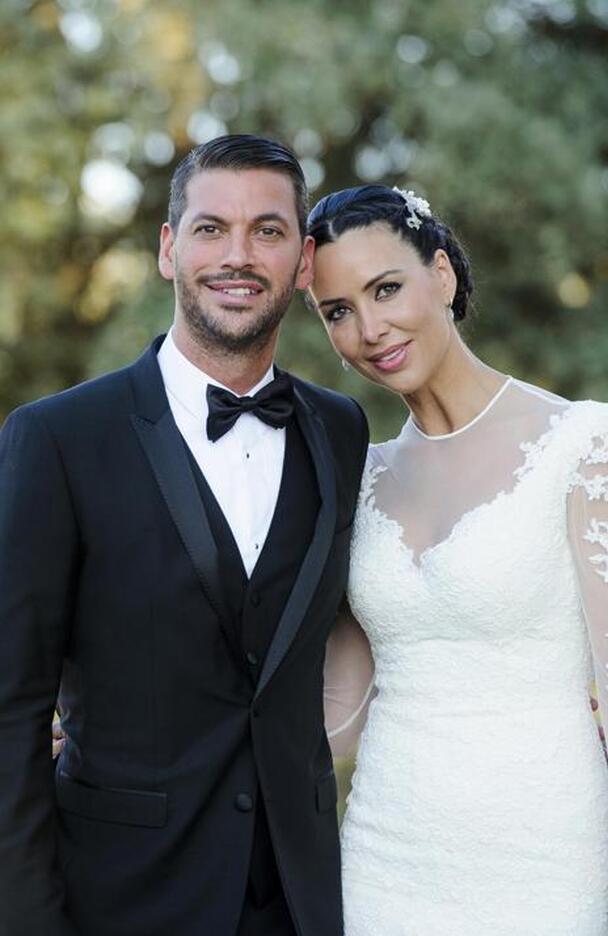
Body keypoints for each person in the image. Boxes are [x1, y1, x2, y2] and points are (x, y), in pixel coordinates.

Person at [0, 135, 369, 936]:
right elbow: (11, 708)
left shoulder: (341, 430)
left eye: (267, 231)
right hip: (119, 899)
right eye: (210, 229)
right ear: (169, 249)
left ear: (303, 262)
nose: (237, 256)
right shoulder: (57, 438)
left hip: (301, 899)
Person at [306, 184, 608, 936]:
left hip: (543, 860)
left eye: (386, 289)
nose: (370, 329)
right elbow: (338, 707)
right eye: (338, 312)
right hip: (385, 859)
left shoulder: (583, 445)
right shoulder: (361, 474)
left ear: (441, 276)